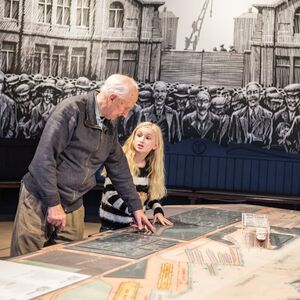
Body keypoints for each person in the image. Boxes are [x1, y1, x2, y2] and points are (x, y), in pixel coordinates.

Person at [10, 74, 155, 257]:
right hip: (41, 198)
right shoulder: (70, 111)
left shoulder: (109, 124)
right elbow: (43, 160)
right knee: (25, 260)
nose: (125, 113)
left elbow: (119, 168)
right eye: (125, 107)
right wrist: (53, 204)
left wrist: (136, 207)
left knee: (69, 261)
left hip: (73, 202)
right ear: (112, 98)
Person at [99, 122, 173, 231]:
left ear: (156, 145)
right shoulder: (120, 163)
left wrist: (158, 212)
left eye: (148, 138)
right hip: (111, 226)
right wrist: (135, 213)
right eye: (139, 135)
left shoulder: (150, 169)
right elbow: (111, 195)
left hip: (134, 225)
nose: (142, 140)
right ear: (133, 138)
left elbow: (151, 196)